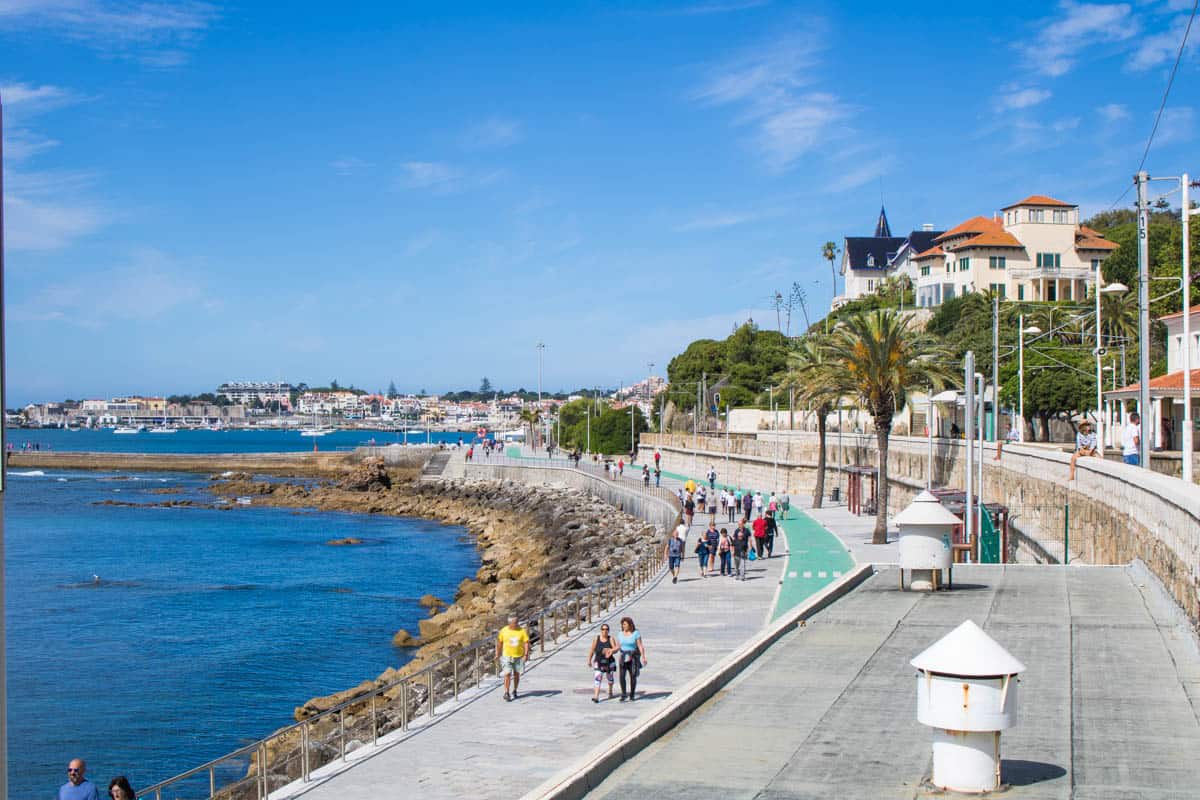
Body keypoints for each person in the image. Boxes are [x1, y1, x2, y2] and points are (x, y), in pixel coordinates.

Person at [496, 614, 530, 701]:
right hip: (507, 656)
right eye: (515, 622)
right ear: (510, 623)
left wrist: (526, 654)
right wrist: (497, 653)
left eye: (517, 622)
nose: (517, 624)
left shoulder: (522, 631)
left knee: (516, 674)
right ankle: (506, 692)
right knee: (507, 674)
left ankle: (514, 690)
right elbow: (499, 642)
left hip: (518, 656)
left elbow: (526, 642)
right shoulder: (503, 631)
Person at [616, 617, 647, 701]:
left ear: (630, 625)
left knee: (633, 676)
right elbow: (618, 646)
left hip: (632, 657)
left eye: (625, 624)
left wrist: (643, 657)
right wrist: (611, 651)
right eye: (622, 624)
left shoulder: (636, 633)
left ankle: (632, 694)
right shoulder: (620, 634)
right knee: (622, 676)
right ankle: (624, 694)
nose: (623, 626)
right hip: (623, 657)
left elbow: (640, 645)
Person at [587, 623, 618, 702]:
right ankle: (596, 696)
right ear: (601, 630)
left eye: (607, 629)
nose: (605, 631)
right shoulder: (596, 639)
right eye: (603, 629)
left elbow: (615, 649)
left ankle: (610, 691)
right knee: (598, 678)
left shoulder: (611, 639)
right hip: (598, 661)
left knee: (610, 678)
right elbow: (592, 650)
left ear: (608, 630)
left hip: (609, 662)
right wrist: (589, 660)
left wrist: (610, 650)